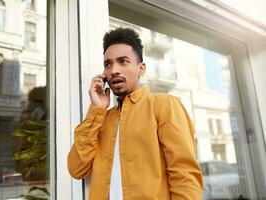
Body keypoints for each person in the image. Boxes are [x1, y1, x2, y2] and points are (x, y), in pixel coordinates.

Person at [67, 28, 203, 200]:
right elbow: (76, 169)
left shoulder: (163, 105)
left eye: (123, 61)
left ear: (141, 69)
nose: (114, 70)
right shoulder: (102, 120)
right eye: (108, 64)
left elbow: (185, 174)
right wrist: (97, 110)